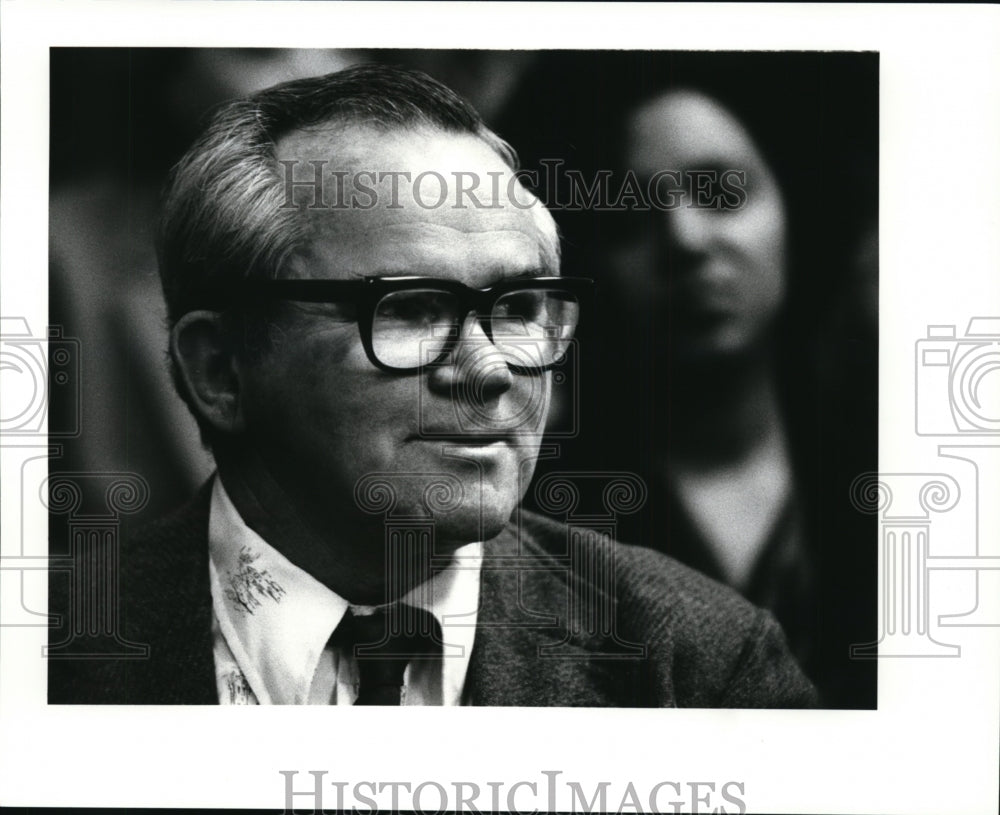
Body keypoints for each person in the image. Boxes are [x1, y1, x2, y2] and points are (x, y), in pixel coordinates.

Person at [48, 64, 816, 707]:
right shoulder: (45, 662)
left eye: (518, 308)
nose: (488, 369)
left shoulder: (700, 666)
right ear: (220, 369)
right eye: (411, 308)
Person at [498, 52, 878, 708]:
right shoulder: (541, 511)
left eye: (723, 193)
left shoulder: (901, 469)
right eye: (628, 218)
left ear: (795, 203)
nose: (686, 237)